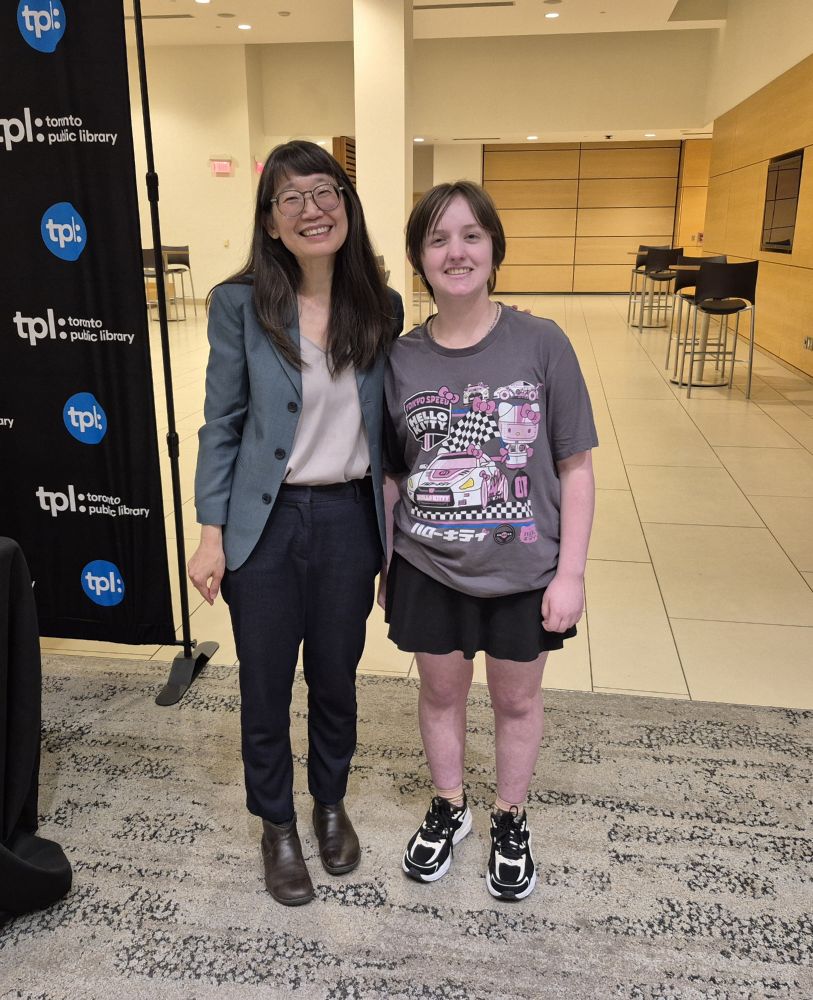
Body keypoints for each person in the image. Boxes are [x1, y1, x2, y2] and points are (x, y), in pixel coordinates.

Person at [188, 140, 403, 907]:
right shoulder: (239, 304)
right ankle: (276, 824)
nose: (312, 209)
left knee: (337, 678)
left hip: (348, 520)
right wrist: (211, 534)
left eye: (325, 191)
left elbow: (392, 431)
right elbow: (222, 425)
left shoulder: (381, 305)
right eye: (292, 198)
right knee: (265, 683)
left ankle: (329, 803)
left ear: (345, 204)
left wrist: (400, 541)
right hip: (266, 525)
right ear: (270, 221)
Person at [382, 181, 596, 901]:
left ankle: (510, 815)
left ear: (494, 250)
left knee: (516, 702)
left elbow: (575, 467)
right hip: (426, 562)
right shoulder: (400, 358)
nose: (456, 252)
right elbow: (393, 472)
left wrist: (570, 574)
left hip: (523, 567)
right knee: (440, 694)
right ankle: (450, 805)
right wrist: (385, 564)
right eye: (438, 239)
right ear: (419, 258)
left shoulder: (542, 343)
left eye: (471, 235)